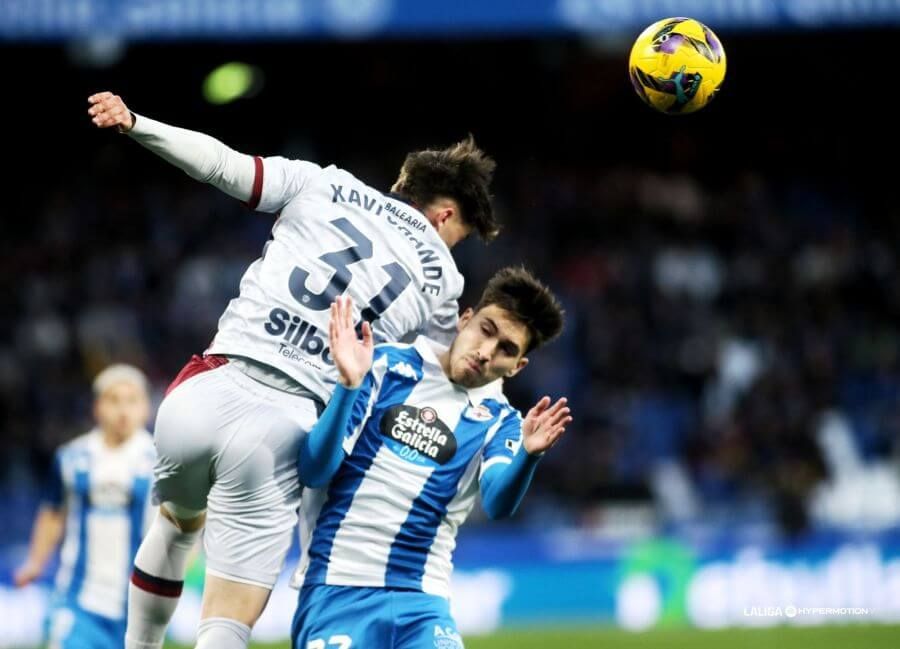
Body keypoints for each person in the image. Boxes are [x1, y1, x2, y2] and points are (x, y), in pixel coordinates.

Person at [86, 91, 500, 649]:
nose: (454, 248)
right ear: (446, 214)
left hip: (203, 389)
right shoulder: (444, 285)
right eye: (459, 236)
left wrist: (137, 123)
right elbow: (456, 370)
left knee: (178, 522)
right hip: (281, 429)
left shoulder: (323, 182)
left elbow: (220, 164)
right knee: (226, 619)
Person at [292, 267, 571, 648]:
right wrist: (347, 387)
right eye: (486, 331)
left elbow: (497, 502)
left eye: (506, 349)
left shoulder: (502, 422)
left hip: (423, 604)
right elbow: (313, 470)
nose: (486, 353)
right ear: (465, 319)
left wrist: (527, 457)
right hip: (338, 587)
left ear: (517, 367)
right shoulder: (382, 365)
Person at [14, 364, 155, 649]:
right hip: (77, 598)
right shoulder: (72, 457)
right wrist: (36, 561)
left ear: (146, 408)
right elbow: (53, 513)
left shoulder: (160, 460)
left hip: (137, 605)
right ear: (97, 407)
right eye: (114, 400)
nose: (123, 411)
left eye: (132, 401)